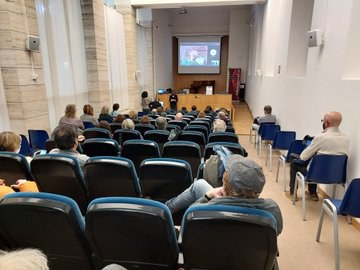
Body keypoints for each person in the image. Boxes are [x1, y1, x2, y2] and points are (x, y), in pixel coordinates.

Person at [165, 155, 283, 235]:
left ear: (224, 185)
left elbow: (186, 226)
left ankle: (166, 209)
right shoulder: (271, 209)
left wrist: (207, 196)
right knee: (200, 184)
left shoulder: (199, 210)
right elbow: (276, 232)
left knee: (199, 184)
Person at [287, 111, 350, 201]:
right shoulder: (346, 138)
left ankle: (293, 194)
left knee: (295, 163)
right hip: (337, 176)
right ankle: (313, 193)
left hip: (315, 175)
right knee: (316, 163)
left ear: (327, 123)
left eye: (323, 121)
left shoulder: (320, 137)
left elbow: (303, 157)